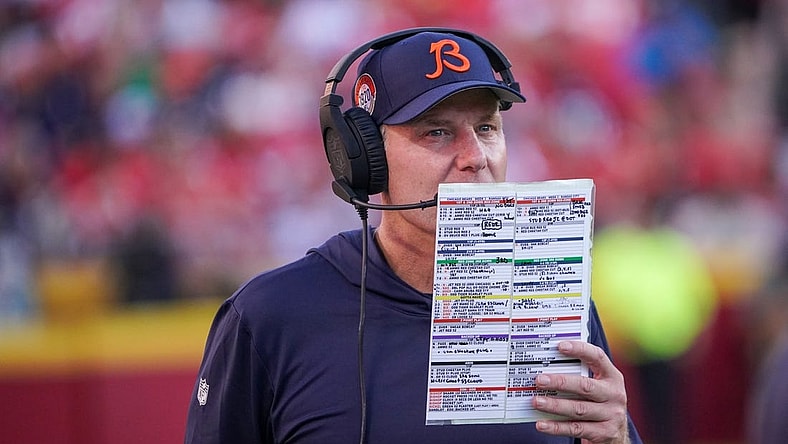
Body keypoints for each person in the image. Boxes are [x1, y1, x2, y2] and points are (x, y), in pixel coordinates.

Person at [184, 28, 642, 444]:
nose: (476, 157)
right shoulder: (270, 317)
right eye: (437, 133)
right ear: (365, 160)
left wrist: (618, 437)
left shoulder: (558, 307)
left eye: (486, 128)